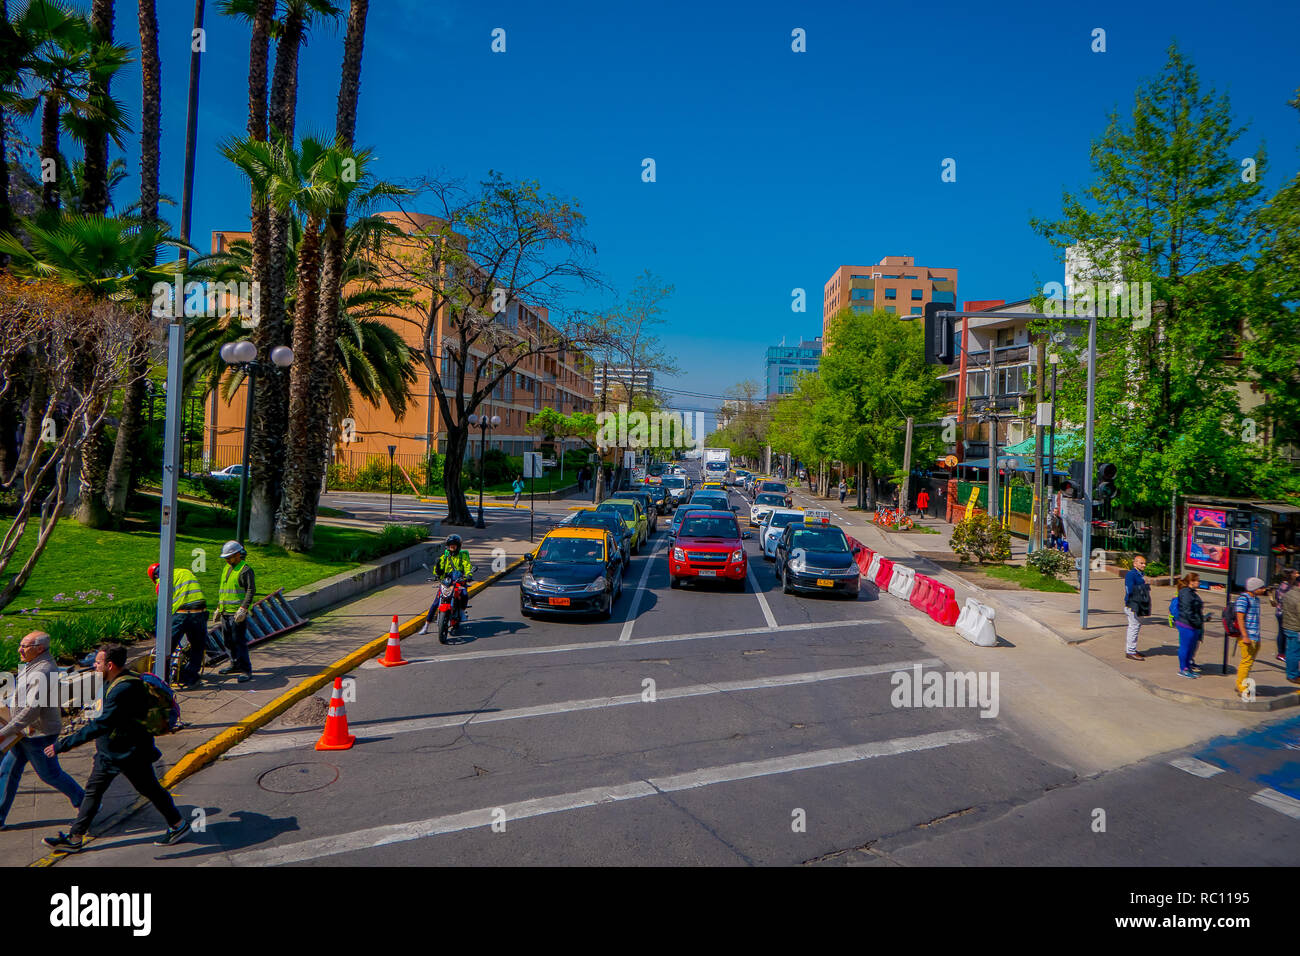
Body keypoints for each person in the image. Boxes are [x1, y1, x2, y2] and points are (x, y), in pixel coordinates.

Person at [42, 644, 191, 853]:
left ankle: (178, 825)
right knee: (93, 792)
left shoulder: (124, 688)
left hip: (130, 753)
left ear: (109, 665)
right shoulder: (114, 681)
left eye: (98, 662)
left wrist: (63, 745)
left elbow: (102, 724)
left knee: (150, 789)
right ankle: (75, 837)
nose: (94, 665)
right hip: (110, 752)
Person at [0, 632, 85, 831]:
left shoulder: (44, 671)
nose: (20, 649)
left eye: (25, 646)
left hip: (38, 735)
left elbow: (31, 710)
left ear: (40, 649)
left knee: (50, 774)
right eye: (21, 645)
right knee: (7, 770)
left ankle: (86, 804)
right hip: (24, 732)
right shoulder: (32, 665)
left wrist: (5, 731)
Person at [147, 561, 207, 687]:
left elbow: (162, 608)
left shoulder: (162, 580)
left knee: (165, 648)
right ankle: (190, 677)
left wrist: (160, 631)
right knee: (198, 646)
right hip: (199, 612)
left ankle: (158, 681)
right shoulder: (185, 571)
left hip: (181, 614)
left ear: (155, 576)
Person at [215, 540, 255, 682]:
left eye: (229, 557)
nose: (227, 559)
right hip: (226, 612)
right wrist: (219, 608)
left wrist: (243, 608)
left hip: (237, 614)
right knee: (228, 641)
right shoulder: (227, 568)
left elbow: (251, 590)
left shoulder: (245, 570)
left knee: (239, 641)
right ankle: (234, 664)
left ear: (238, 555)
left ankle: (246, 670)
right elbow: (224, 590)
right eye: (226, 557)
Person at [422, 534, 475, 636]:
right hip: (446, 583)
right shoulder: (444, 557)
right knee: (435, 603)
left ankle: (461, 612)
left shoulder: (462, 556)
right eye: (450, 545)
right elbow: (438, 571)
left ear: (458, 546)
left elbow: (467, 565)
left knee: (464, 595)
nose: (452, 547)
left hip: (458, 581)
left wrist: (468, 575)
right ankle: (426, 626)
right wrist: (437, 569)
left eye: (454, 545)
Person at [1234, 577, 1267, 697]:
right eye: (1261, 588)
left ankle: (1245, 685)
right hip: (1248, 636)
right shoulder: (1243, 599)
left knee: (1250, 662)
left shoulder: (1256, 599)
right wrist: (1245, 636)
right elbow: (1240, 618)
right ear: (1254, 588)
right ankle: (1242, 687)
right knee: (1246, 662)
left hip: (1255, 635)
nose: (1264, 590)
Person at [1174, 573, 1205, 679]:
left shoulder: (1191, 593)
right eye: (1197, 580)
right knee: (1185, 647)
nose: (1199, 582)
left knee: (1191, 648)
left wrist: (1203, 618)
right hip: (1186, 624)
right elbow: (1187, 611)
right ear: (1191, 582)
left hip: (1193, 624)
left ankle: (1188, 667)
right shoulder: (1186, 593)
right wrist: (1197, 621)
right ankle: (1183, 669)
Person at [1123, 555, 1151, 661]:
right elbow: (1130, 590)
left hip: (1139, 604)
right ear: (1135, 563)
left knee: (1136, 626)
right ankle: (1130, 651)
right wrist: (1145, 586)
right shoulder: (1131, 574)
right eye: (1141, 563)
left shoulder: (1140, 574)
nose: (1144, 565)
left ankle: (1132, 650)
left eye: (1144, 563)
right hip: (1132, 604)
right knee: (1133, 627)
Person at [1280, 573, 1300, 687]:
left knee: (1291, 651)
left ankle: (1291, 672)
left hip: (1288, 625)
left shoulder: (1289, 593)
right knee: (1295, 653)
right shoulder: (1298, 597)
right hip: (1296, 628)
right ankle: (1292, 675)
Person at [1272, 570, 1295, 662]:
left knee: (1283, 632)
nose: (1296, 574)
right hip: (1282, 612)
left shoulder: (1288, 585)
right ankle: (1281, 653)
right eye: (1295, 573)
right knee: (1282, 633)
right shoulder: (1285, 585)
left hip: (1283, 612)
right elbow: (1282, 599)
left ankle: (1283, 652)